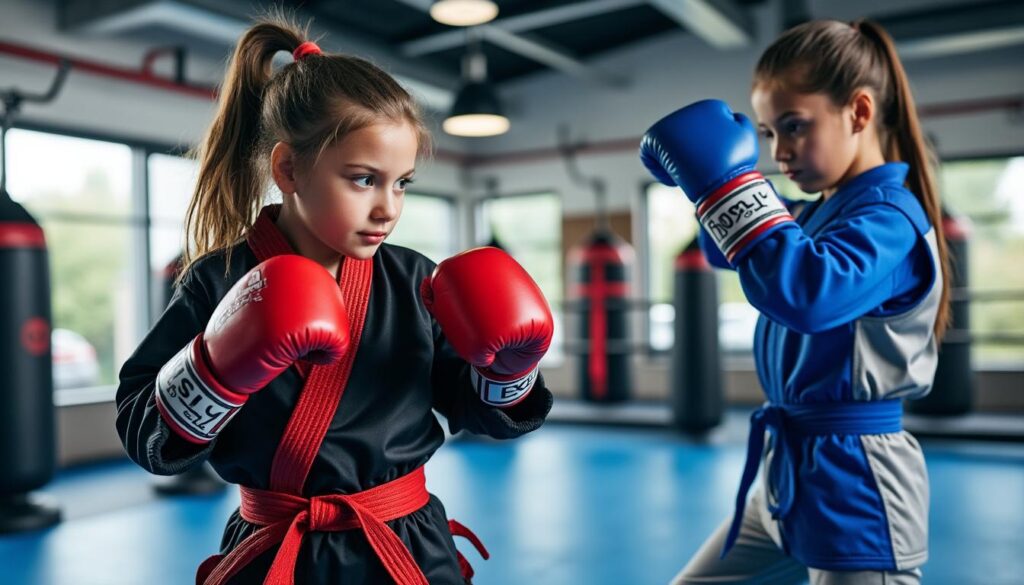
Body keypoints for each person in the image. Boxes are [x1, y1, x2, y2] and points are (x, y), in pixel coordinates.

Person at [115, 17, 554, 585]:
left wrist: (511, 372)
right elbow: (145, 435)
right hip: (278, 551)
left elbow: (478, 412)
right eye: (363, 179)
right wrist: (214, 372)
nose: (388, 208)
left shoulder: (416, 281)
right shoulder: (218, 281)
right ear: (289, 168)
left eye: (402, 182)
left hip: (405, 545)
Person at [640, 19, 950, 584]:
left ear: (858, 112)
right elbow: (722, 250)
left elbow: (806, 292)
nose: (779, 151)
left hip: (859, 484)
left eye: (794, 126)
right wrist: (705, 184)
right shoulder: (819, 212)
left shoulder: (890, 219)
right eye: (767, 133)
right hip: (787, 475)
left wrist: (726, 183)